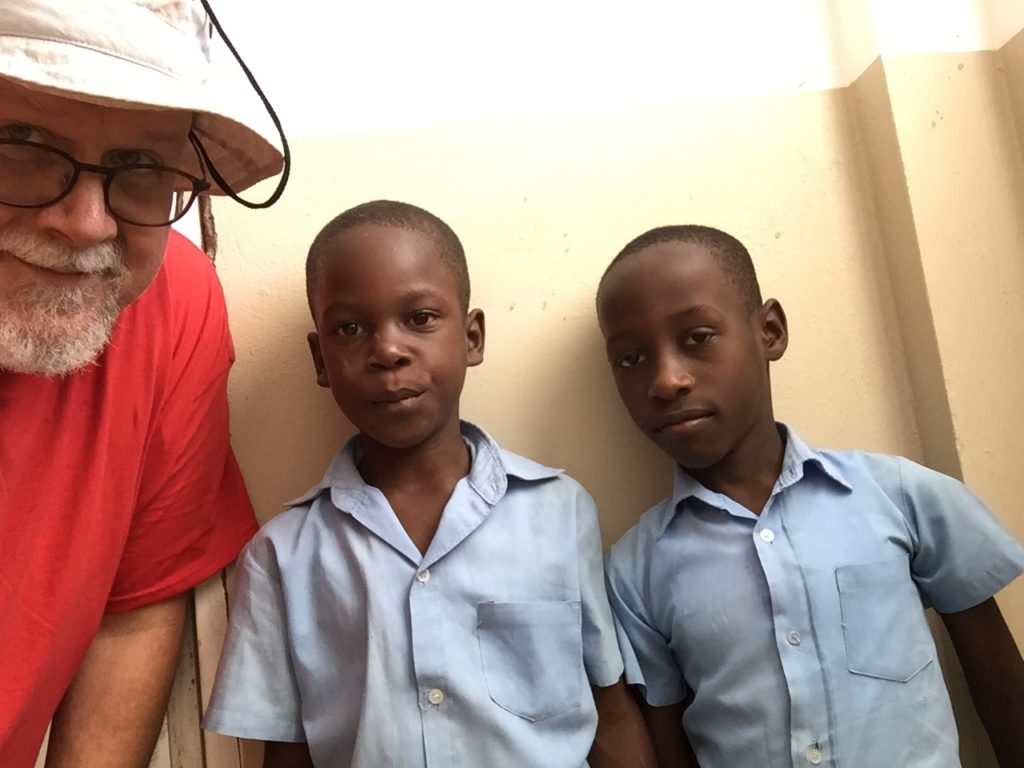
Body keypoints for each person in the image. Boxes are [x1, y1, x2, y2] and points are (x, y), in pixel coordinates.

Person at [203, 200, 655, 767]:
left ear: (471, 338)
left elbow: (610, 714)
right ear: (321, 360)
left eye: (419, 318)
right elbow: (287, 756)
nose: (388, 351)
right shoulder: (283, 555)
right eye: (350, 328)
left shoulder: (560, 513)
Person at [596, 224, 1024, 768]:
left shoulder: (900, 497)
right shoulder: (635, 572)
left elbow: (1004, 691)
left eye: (697, 337)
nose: (667, 380)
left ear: (769, 331)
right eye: (631, 359)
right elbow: (668, 745)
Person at [0, 1, 286, 766]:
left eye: (141, 167)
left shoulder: (170, 303)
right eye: (20, 144)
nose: (89, 223)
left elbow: (133, 608)